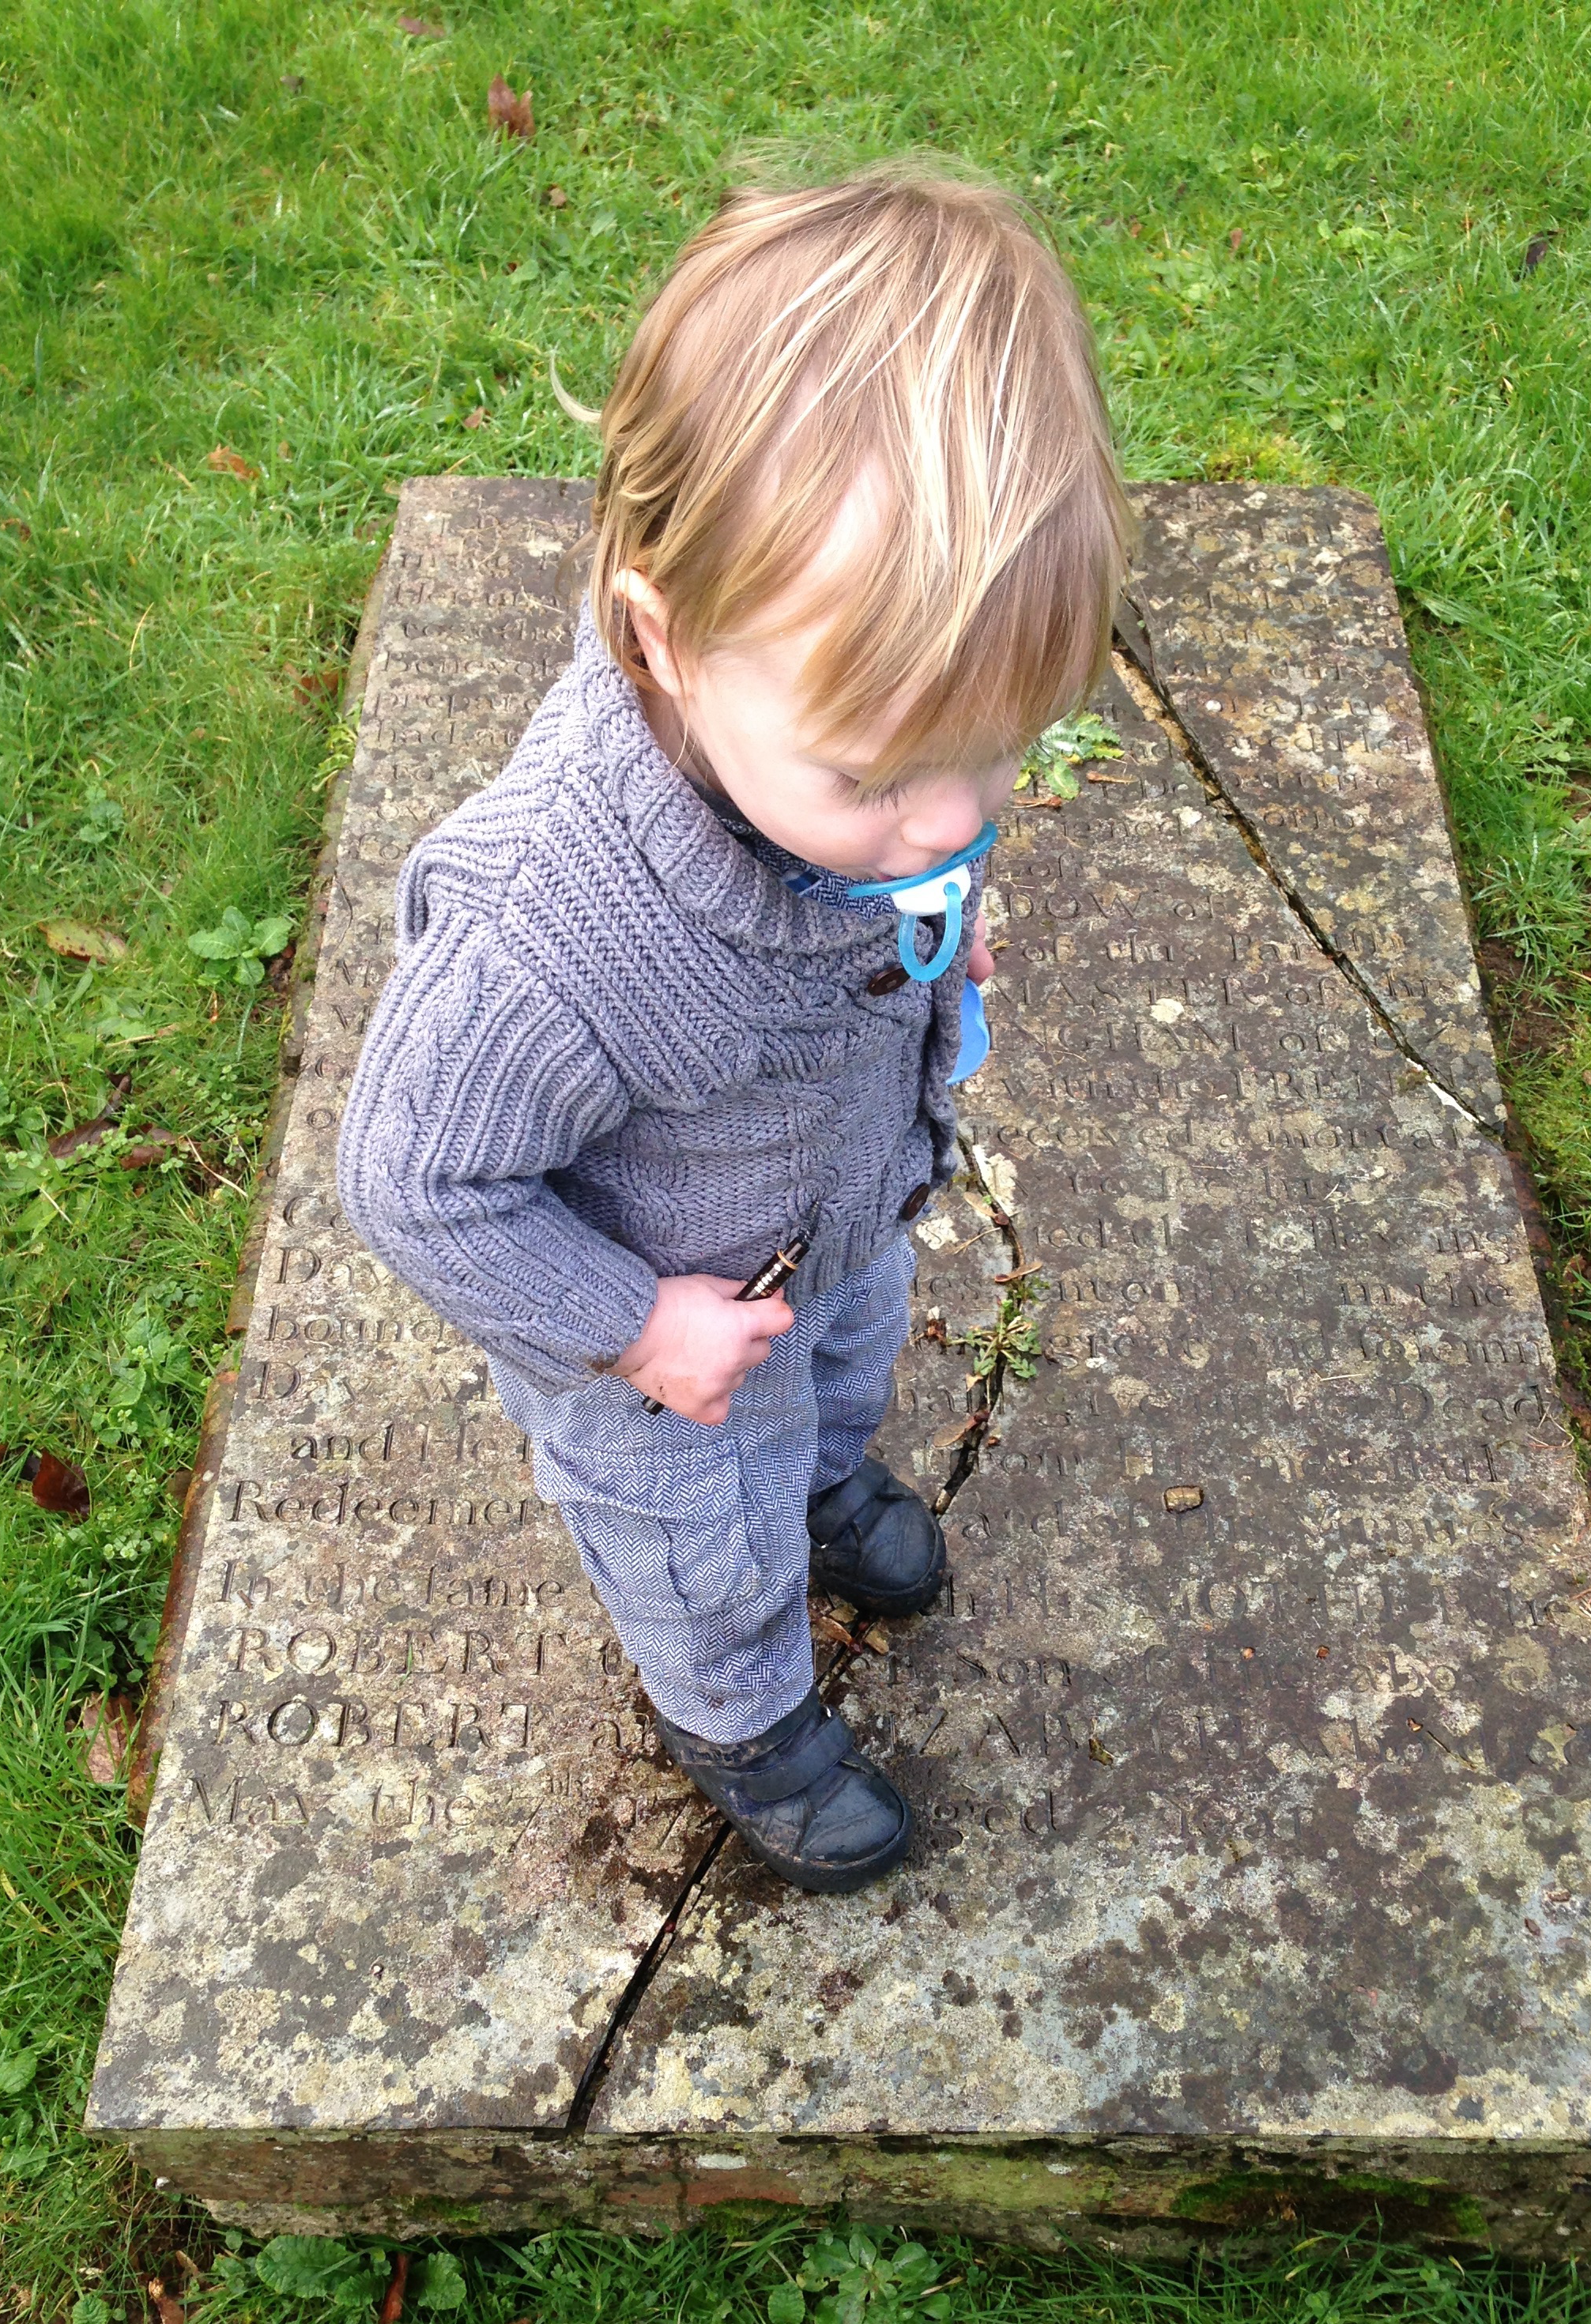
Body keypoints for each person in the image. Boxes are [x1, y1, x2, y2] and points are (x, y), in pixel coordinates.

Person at [337, 163, 1129, 1893]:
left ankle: (830, 1487)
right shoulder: (551, 938)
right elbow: (411, 1180)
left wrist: (936, 935)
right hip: (672, 1357)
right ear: (665, 640)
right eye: (881, 776)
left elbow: (913, 844)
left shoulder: (840, 761)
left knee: (846, 1373)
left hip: (830, 1233)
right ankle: (743, 1719)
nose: (951, 819)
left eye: (998, 751)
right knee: (698, 1545)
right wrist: (629, 1328)